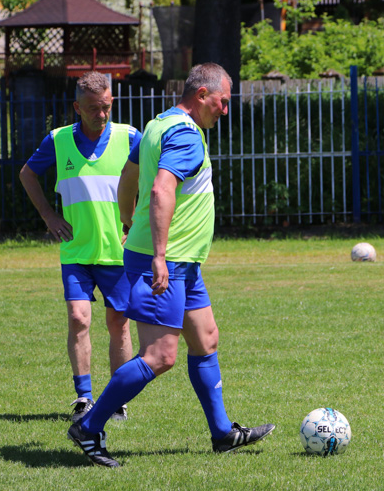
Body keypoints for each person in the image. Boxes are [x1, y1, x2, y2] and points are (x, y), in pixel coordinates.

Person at [67, 63, 275, 467]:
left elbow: (129, 177)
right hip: (165, 261)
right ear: (201, 95)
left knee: (206, 339)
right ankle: (88, 427)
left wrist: (129, 218)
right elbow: (161, 187)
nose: (225, 110)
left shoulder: (159, 124)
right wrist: (158, 254)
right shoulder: (186, 135)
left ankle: (222, 434)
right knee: (160, 356)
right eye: (223, 101)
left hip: (183, 261)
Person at [19, 71, 141, 422]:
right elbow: (27, 173)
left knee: (118, 323)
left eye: (105, 107)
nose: (100, 115)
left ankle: (117, 400)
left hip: (117, 253)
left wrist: (136, 226)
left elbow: (154, 183)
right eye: (91, 109)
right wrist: (48, 215)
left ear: (111, 102)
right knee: (78, 318)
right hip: (75, 251)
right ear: (76, 107)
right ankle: (84, 398)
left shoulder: (131, 137)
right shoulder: (58, 140)